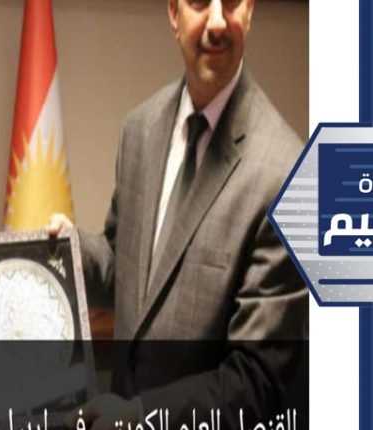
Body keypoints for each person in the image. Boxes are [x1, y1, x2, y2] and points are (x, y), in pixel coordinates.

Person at [50, 0, 308, 426]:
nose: (217, 22)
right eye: (200, 3)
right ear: (174, 14)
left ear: (250, 11)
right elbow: (124, 266)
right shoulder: (139, 130)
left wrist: (140, 416)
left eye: (232, 3)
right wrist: (68, 252)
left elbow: (256, 381)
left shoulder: (292, 178)